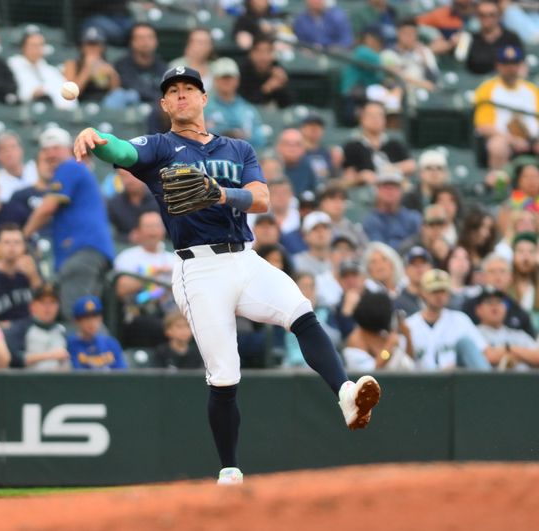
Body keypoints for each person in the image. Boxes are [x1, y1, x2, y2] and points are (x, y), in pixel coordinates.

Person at [73, 65, 381, 484]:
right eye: (173, 91)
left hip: (244, 257)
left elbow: (261, 199)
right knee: (225, 375)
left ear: (204, 98)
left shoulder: (238, 150)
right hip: (199, 269)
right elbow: (125, 152)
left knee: (301, 311)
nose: (181, 95)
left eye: (189, 89)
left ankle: (345, 394)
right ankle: (230, 470)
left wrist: (220, 194)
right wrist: (99, 139)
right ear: (164, 104)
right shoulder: (162, 147)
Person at [22, 127, 115, 320]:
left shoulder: (70, 167)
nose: (50, 154)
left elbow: (47, 208)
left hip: (82, 250)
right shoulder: (76, 171)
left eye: (56, 148)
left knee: (75, 314)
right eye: (46, 149)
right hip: (91, 252)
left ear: (69, 149)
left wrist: (24, 235)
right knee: (88, 317)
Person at [405, 269, 493, 370]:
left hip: (456, 382)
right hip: (421, 383)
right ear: (423, 293)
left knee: (465, 343)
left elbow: (483, 352)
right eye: (434, 291)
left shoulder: (460, 319)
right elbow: (403, 364)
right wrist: (407, 337)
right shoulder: (409, 324)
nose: (439, 296)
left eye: (443, 291)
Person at [114, 211, 177, 348]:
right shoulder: (128, 257)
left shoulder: (174, 259)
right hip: (138, 313)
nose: (153, 232)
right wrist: (156, 273)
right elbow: (121, 288)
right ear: (138, 231)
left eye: (156, 226)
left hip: (170, 312)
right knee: (153, 326)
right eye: (148, 227)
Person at [473, 45, 539, 168]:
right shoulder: (487, 89)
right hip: (503, 139)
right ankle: (499, 185)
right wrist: (512, 140)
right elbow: (483, 126)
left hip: (532, 139)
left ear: (521, 65)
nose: (511, 68)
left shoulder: (532, 90)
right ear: (498, 65)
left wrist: (534, 141)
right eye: (506, 64)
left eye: (514, 64)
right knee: (497, 146)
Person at [0, 224, 41, 327]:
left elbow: (46, 306)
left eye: (17, 242)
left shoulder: (32, 274)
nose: (12, 247)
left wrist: (33, 277)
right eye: (6, 242)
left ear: (24, 246)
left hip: (31, 331)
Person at [341, 101, 416, 187]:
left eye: (380, 115)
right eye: (372, 115)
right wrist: (360, 177)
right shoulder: (353, 147)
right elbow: (347, 178)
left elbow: (411, 165)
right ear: (362, 118)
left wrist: (388, 170)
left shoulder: (394, 143)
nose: (376, 119)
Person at [203, 57, 267, 150]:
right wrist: (225, 135)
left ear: (237, 80)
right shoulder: (204, 108)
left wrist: (243, 137)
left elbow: (260, 139)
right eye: (223, 77)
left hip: (243, 157)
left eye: (230, 77)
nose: (227, 81)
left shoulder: (248, 109)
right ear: (215, 80)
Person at [344, 290, 415, 372]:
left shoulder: (383, 334)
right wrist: (388, 348)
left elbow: (410, 363)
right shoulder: (355, 340)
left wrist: (407, 335)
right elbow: (371, 372)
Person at [5, 283, 70, 370]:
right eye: (43, 302)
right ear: (32, 306)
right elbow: (13, 358)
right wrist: (50, 355)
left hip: (59, 380)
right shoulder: (21, 328)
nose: (48, 307)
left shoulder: (61, 329)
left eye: (52, 302)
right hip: (29, 380)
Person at [8, 30, 76, 110]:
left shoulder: (51, 71)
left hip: (53, 113)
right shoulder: (12, 65)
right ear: (23, 47)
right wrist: (32, 95)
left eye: (40, 45)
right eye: (33, 45)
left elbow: (70, 99)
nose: (37, 49)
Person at [475, 285, 539, 370]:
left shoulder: (518, 334)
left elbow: (537, 357)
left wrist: (508, 348)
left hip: (525, 381)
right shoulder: (473, 333)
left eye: (499, 302)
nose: (495, 306)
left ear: (505, 307)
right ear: (479, 309)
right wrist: (522, 356)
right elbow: (488, 358)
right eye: (489, 302)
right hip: (490, 381)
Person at [62, 27, 124, 107]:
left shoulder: (107, 66)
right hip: (79, 109)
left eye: (96, 44)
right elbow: (69, 95)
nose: (93, 49)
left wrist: (112, 75)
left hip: (104, 108)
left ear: (102, 47)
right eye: (89, 44)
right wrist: (87, 70)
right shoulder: (72, 65)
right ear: (82, 47)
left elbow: (116, 95)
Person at [67, 295, 127, 371]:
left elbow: (122, 373)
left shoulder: (111, 343)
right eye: (86, 318)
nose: (92, 322)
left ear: (100, 318)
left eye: (95, 317)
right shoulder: (70, 344)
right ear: (77, 321)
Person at [114, 23, 168, 104]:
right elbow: (132, 87)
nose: (145, 42)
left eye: (150, 37)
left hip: (158, 108)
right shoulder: (123, 64)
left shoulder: (161, 64)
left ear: (156, 41)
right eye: (140, 38)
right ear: (132, 42)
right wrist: (159, 98)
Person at [466, 0, 523, 75]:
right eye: (482, 15)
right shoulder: (469, 38)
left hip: (502, 83)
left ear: (499, 15)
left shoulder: (511, 38)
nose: (487, 18)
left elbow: (522, 66)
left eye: (491, 15)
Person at [236, 34, 292, 109]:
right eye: (259, 51)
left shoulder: (277, 69)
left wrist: (283, 85)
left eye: (268, 51)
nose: (264, 57)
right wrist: (267, 88)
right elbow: (244, 104)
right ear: (251, 53)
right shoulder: (241, 71)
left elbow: (289, 104)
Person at [107, 169, 159, 243]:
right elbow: (108, 232)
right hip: (125, 249)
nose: (129, 180)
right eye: (124, 176)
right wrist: (127, 237)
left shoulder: (159, 199)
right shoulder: (114, 203)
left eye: (133, 175)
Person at [0, 132, 38, 203]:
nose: (9, 152)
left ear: (21, 150)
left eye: (13, 147)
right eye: (4, 149)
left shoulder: (37, 169)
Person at [169, 28, 216, 94]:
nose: (202, 46)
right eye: (199, 42)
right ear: (189, 44)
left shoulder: (217, 67)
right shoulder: (176, 66)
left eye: (206, 42)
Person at [274, 129, 319, 196]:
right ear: (278, 147)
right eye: (287, 144)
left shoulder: (309, 168)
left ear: (303, 148)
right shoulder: (269, 168)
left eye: (297, 144)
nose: (292, 149)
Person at [394, 246, 434, 316]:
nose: (419, 268)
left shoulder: (439, 296)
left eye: (423, 263)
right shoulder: (399, 302)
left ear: (430, 267)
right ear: (406, 270)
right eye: (414, 264)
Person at [301, 115, 341, 182]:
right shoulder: (297, 152)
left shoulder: (326, 153)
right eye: (311, 125)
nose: (314, 128)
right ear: (302, 128)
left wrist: (336, 166)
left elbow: (332, 174)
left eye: (318, 126)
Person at [293, 211, 333, 277]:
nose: (321, 232)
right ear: (305, 236)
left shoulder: (340, 260)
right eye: (315, 229)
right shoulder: (296, 262)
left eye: (325, 227)